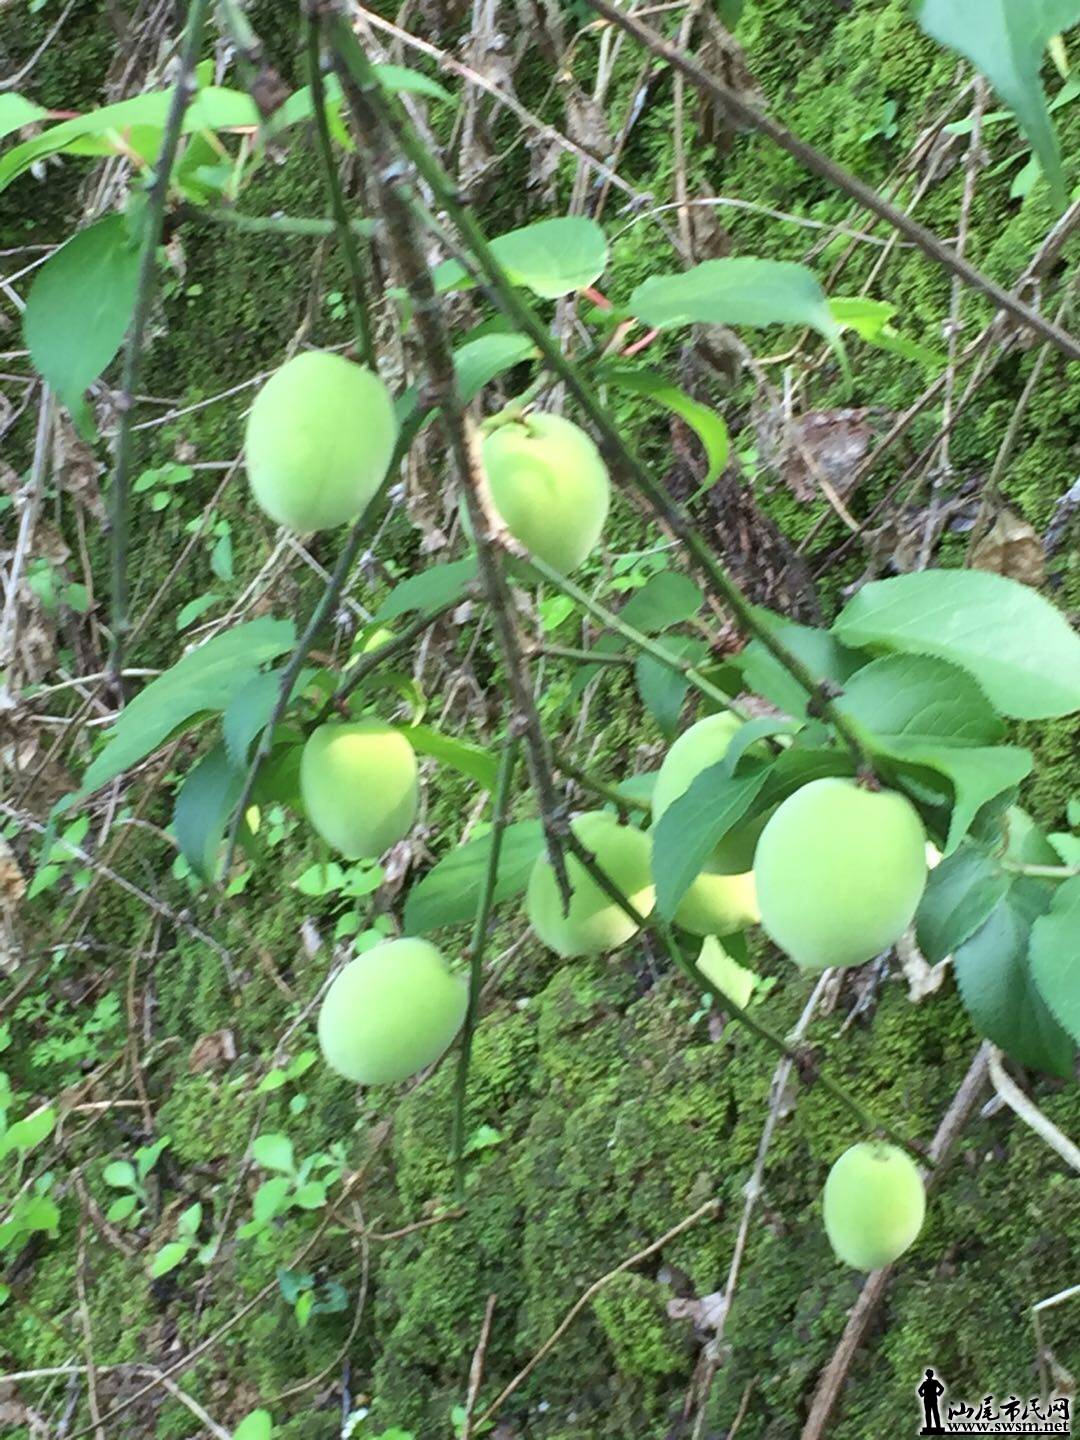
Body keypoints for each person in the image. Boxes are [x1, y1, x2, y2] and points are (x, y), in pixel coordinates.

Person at [919, 1368, 946, 1433]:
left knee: (929, 1413)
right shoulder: (934, 1382)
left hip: (928, 1399)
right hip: (932, 1398)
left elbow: (920, 1391)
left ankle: (930, 1427)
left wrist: (923, 1395)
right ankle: (937, 1426)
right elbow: (942, 1388)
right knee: (934, 1413)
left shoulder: (926, 1383)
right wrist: (938, 1394)